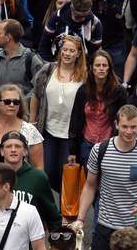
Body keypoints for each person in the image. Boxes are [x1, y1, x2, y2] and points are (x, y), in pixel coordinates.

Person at [74, 105, 137, 250]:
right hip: (105, 227)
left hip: (136, 227)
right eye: (124, 126)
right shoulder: (100, 150)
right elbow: (90, 187)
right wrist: (80, 218)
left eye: (133, 127)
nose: (129, 132)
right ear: (116, 125)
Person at [28, 34, 87, 193]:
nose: (67, 54)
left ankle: (66, 213)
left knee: (66, 176)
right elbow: (35, 95)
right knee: (47, 172)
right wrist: (32, 122)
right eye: (65, 49)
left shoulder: (85, 76)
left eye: (72, 51)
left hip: (70, 135)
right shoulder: (48, 70)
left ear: (78, 54)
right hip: (48, 131)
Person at [0, 131, 60, 228]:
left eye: (18, 146)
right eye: (8, 146)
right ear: (2, 151)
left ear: (25, 151)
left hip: (29, 239)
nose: (13, 150)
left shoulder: (38, 178)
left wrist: (55, 239)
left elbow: (53, 217)